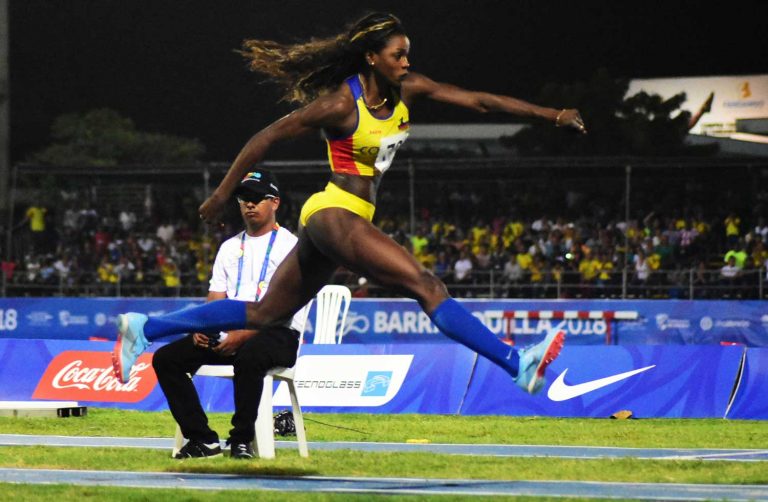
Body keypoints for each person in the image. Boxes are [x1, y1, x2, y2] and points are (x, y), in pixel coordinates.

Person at [113, 13, 586, 395]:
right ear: (371, 58)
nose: (405, 63)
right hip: (331, 212)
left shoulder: (409, 89)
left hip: (347, 218)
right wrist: (221, 194)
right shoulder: (341, 104)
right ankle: (515, 362)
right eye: (397, 55)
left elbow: (480, 102)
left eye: (408, 55)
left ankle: (144, 327)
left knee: (263, 316)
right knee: (426, 284)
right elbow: (267, 136)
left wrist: (552, 115)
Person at [150, 170, 309, 459]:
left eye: (257, 198)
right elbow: (215, 299)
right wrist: (203, 326)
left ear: (275, 202)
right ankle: (203, 440)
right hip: (229, 332)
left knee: (250, 356)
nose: (249, 204)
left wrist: (244, 335)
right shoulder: (229, 247)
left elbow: (287, 307)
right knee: (166, 358)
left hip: (277, 334)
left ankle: (241, 440)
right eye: (243, 197)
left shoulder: (291, 247)